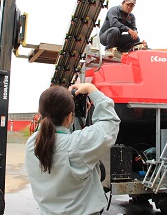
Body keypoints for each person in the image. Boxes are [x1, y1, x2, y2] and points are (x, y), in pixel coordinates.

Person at [25, 83, 120, 215]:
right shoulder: (76, 145)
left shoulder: (32, 143)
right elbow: (110, 124)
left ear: (41, 113)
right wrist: (92, 89)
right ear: (70, 116)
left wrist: (78, 117)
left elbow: (59, 134)